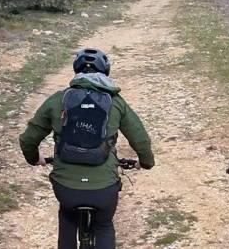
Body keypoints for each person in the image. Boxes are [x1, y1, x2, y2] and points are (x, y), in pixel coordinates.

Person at [19, 48, 155, 249]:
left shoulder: (58, 100)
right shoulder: (116, 102)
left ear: (76, 72)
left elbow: (28, 139)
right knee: (104, 224)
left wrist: (34, 159)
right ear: (105, 72)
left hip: (66, 188)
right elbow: (141, 140)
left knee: (67, 218)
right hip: (104, 188)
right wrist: (145, 163)